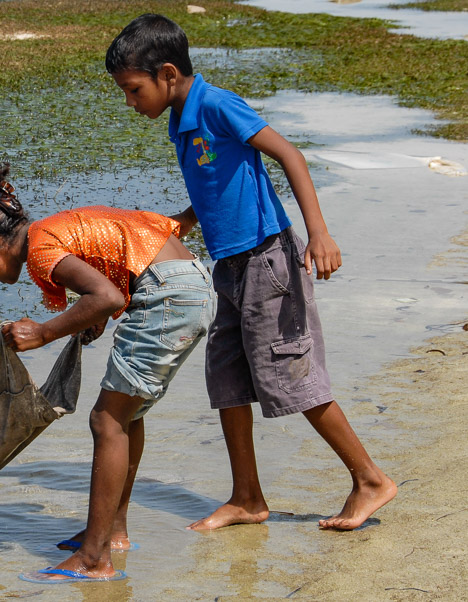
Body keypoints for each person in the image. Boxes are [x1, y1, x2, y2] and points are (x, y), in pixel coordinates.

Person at [106, 14, 397, 532]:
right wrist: (189, 219)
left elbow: (289, 155)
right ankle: (247, 496)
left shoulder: (217, 105)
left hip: (270, 259)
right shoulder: (181, 119)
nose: (130, 103)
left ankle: (369, 479)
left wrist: (320, 233)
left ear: (168, 73)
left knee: (292, 375)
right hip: (230, 266)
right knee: (227, 377)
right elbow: (219, 177)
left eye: (133, 90)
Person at [0, 162, 216, 582]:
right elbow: (139, 249)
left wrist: (44, 332)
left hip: (167, 297)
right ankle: (114, 531)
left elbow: (105, 295)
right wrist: (93, 317)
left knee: (105, 420)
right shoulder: (56, 227)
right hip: (190, 284)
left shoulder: (39, 250)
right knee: (128, 415)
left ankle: (94, 558)